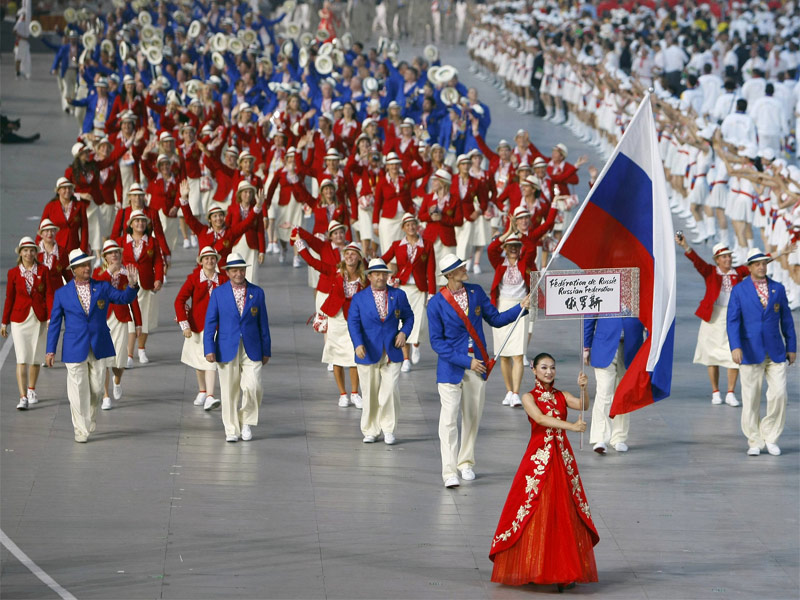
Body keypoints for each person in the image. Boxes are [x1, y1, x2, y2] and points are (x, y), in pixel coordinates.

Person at [489, 353, 598, 591]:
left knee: (563, 510)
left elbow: (583, 406)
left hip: (562, 458)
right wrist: (571, 427)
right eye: (544, 367)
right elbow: (540, 419)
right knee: (535, 509)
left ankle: (563, 568)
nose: (549, 372)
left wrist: (584, 389)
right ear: (534, 370)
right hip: (539, 459)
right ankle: (533, 566)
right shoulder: (528, 397)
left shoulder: (562, 395)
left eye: (552, 368)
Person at [427, 254, 530, 488]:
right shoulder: (436, 303)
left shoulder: (476, 292)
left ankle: (466, 462)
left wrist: (521, 308)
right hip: (451, 367)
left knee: (472, 417)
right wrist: (466, 361)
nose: (465, 269)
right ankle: (449, 471)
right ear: (449, 275)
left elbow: (496, 319)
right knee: (448, 419)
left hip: (479, 364)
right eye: (460, 267)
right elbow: (437, 342)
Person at [45, 249, 140, 443]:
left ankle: (89, 416)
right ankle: (80, 429)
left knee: (97, 389)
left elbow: (123, 298)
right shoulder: (62, 294)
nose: (87, 268)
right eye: (82, 265)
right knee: (78, 389)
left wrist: (132, 285)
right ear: (73, 270)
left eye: (88, 264)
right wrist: (50, 350)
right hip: (74, 346)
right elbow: (54, 323)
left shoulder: (102, 287)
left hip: (98, 344)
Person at [727, 249, 796, 457]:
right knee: (751, 398)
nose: (761, 267)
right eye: (757, 264)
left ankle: (771, 436)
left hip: (775, 350)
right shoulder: (739, 291)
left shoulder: (778, 288)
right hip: (749, 350)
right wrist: (735, 346)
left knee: (779, 394)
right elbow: (732, 321)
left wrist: (791, 347)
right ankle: (754, 440)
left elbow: (787, 320)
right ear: (749, 267)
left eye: (764, 263)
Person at [203, 252, 271, 442]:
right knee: (229, 390)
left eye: (241, 270)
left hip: (252, 347)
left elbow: (263, 323)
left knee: (254, 386)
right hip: (226, 346)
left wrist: (266, 349)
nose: (238, 273)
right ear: (228, 272)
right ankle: (231, 429)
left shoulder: (257, 292)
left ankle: (246, 421)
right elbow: (210, 322)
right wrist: (209, 348)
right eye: (234, 270)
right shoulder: (218, 293)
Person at [677, 237, 750, 406]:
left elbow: (757, 264)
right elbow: (697, 262)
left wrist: (780, 253)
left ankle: (730, 392)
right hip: (713, 318)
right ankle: (715, 391)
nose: (728, 259)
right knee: (712, 356)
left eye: (729, 256)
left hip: (733, 318)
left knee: (734, 354)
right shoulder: (710, 271)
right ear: (717, 260)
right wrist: (685, 245)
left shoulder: (738, 272)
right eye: (724, 257)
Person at [348, 258, 414, 445]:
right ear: (369, 277)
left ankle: (388, 428)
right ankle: (371, 429)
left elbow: (409, 317)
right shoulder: (359, 298)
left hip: (392, 351)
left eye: (384, 274)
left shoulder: (398, 295)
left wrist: (403, 332)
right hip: (368, 351)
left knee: (390, 391)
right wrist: (358, 344)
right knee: (369, 393)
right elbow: (353, 323)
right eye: (376, 274)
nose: (381, 277)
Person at [175, 246, 228, 412]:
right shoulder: (193, 279)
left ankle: (210, 396)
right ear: (201, 262)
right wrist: (184, 323)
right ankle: (203, 391)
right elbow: (179, 300)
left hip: (217, 326)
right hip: (197, 325)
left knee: (210, 360)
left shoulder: (224, 279)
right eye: (206, 258)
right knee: (198, 359)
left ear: (216, 260)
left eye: (212, 258)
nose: (210, 261)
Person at [381, 213, 436, 371]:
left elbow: (431, 270)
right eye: (407, 225)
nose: (411, 227)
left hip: (419, 289)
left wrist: (432, 293)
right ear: (403, 228)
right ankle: (406, 358)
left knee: (418, 321)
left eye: (413, 224)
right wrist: (376, 267)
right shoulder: (397, 245)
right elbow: (383, 260)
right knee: (402, 321)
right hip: (402, 288)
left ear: (417, 226)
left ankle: (416, 344)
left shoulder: (427, 245)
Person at [487, 233, 536, 408]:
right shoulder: (499, 263)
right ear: (505, 249)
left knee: (518, 354)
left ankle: (516, 393)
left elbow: (532, 248)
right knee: (504, 355)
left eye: (516, 245)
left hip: (521, 307)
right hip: (501, 308)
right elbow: (491, 249)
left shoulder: (525, 262)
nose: (513, 248)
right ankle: (508, 391)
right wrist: (508, 231)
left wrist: (520, 234)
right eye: (510, 246)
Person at [583, 317, 644, 454]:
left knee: (623, 394)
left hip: (632, 346)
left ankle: (619, 437)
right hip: (604, 345)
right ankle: (600, 438)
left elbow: (651, 314)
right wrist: (586, 346)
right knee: (604, 392)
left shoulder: (640, 298)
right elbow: (589, 315)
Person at [2, 237, 50, 410]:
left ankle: (31, 389)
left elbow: (49, 294)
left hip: (39, 318)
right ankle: (22, 397)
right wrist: (4, 322)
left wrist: (50, 317)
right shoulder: (13, 273)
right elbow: (9, 298)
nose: (29, 253)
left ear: (36, 253)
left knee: (36, 357)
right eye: (25, 250)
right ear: (20, 253)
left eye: (32, 250)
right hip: (19, 320)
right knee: (22, 358)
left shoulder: (44, 270)